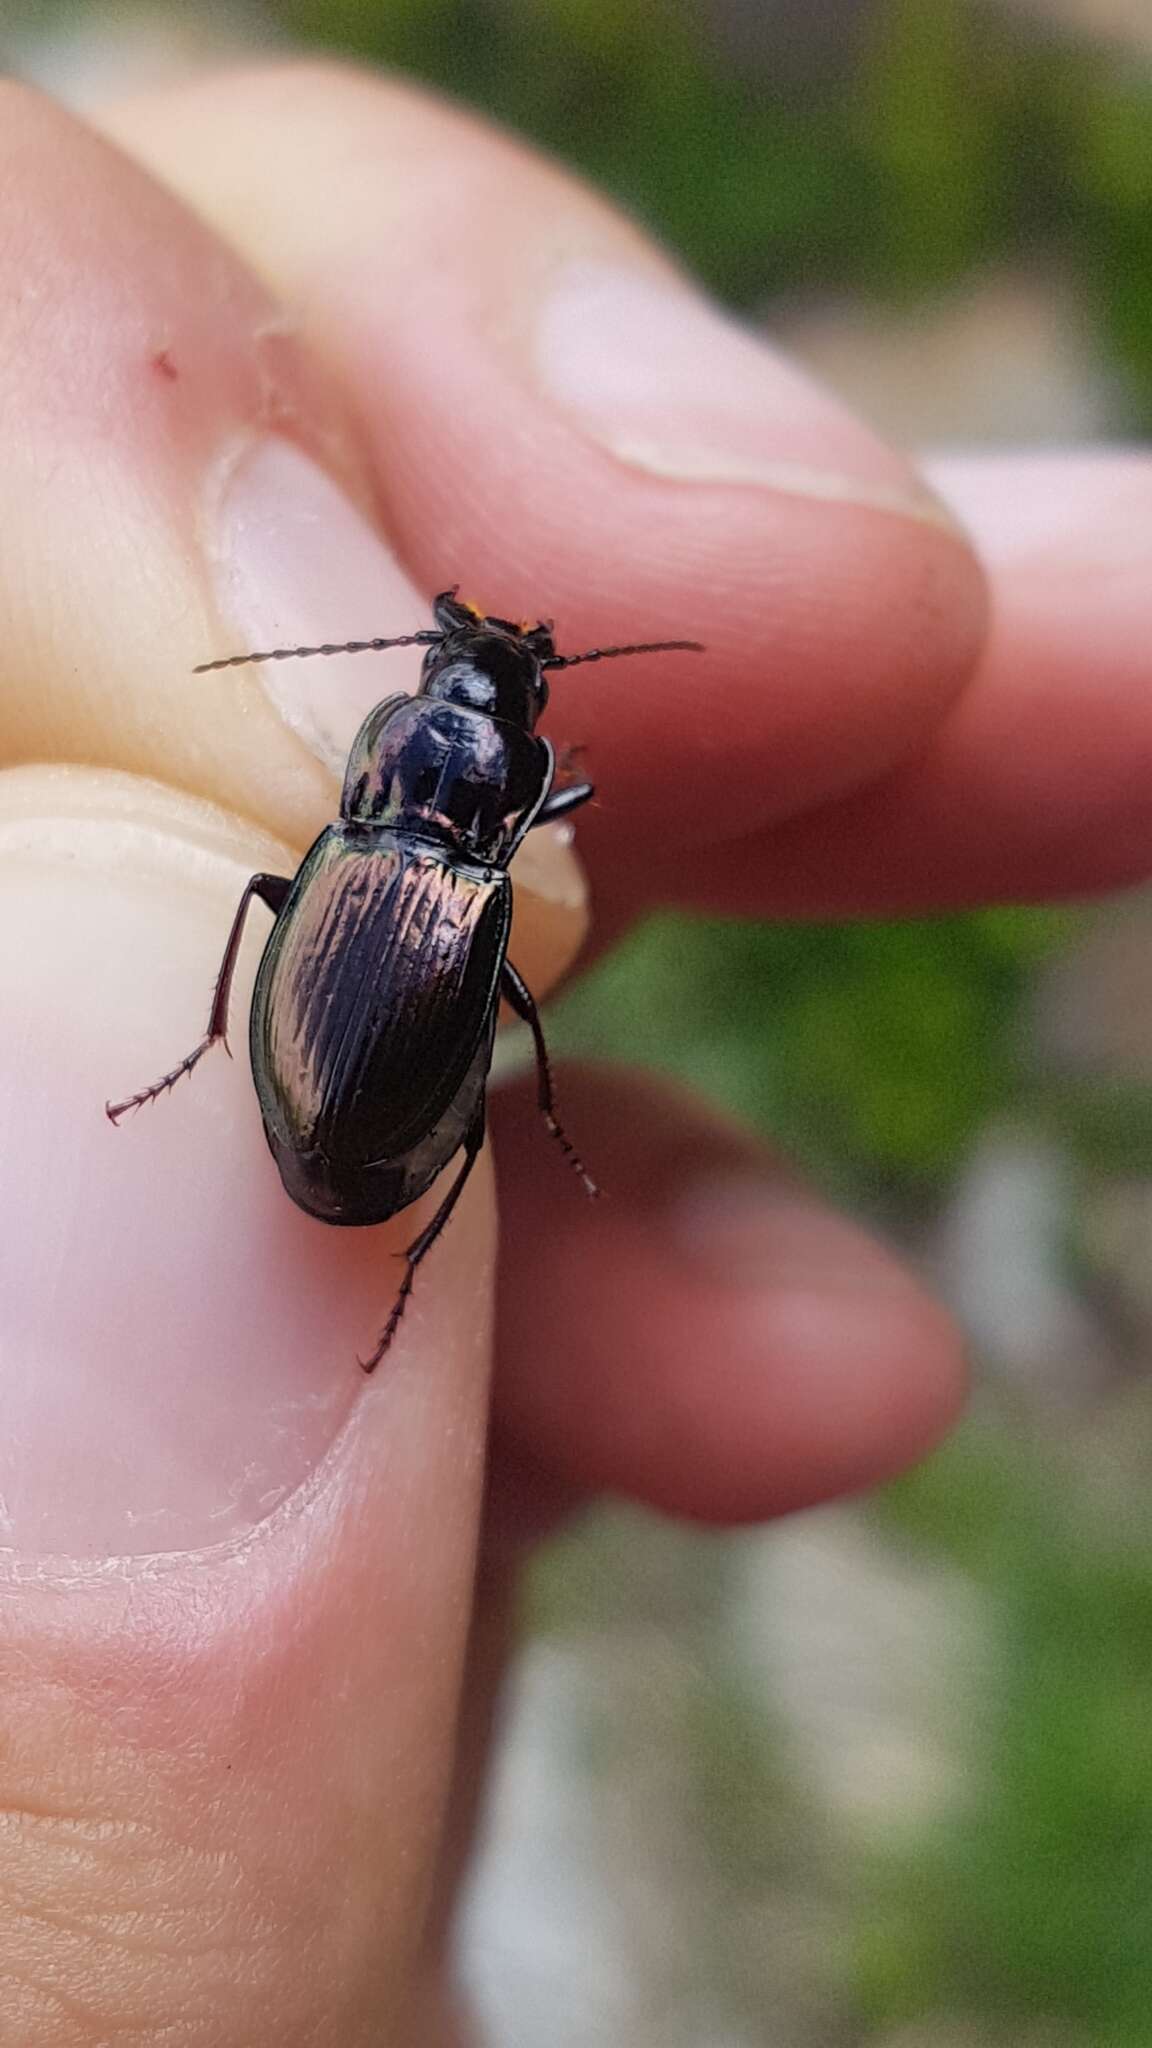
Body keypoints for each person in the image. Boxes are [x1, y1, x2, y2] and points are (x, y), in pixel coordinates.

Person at [0, 59, 1146, 2046]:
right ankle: (233, 1108)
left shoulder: (390, 821)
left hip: (359, 1014)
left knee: (399, 1025)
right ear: (486, 753)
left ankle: (230, 1107)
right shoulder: (457, 840)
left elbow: (390, 837)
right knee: (468, 1075)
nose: (477, 687)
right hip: (375, 1033)